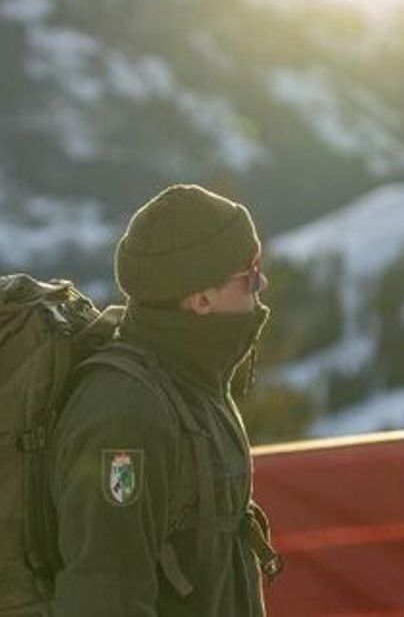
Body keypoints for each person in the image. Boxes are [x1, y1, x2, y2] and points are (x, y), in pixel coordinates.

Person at [47, 183, 277, 616]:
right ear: (201, 300)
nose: (260, 282)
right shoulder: (126, 417)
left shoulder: (193, 381)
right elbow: (105, 598)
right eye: (248, 274)